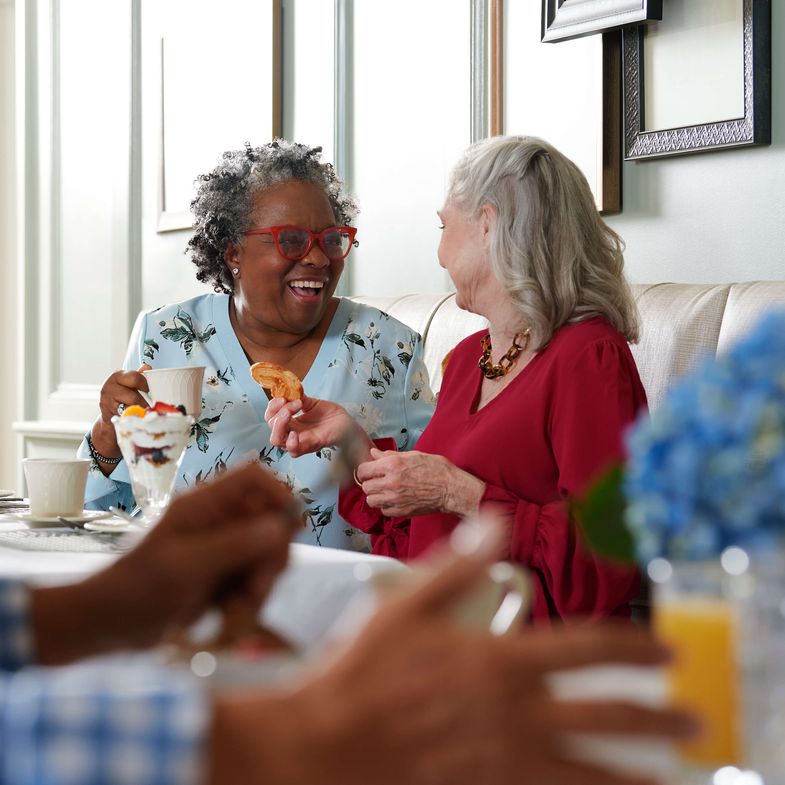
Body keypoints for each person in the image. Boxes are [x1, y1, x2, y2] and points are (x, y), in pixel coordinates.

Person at [0, 464, 696, 785]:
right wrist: (290, 738)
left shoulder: (584, 356)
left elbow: (608, 551)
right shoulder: (467, 361)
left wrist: (91, 608)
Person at [266, 136, 648, 622]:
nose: (440, 254)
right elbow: (423, 543)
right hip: (441, 640)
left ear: (488, 226)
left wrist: (460, 493)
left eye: (444, 226)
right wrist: (349, 442)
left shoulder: (588, 357)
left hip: (529, 662)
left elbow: (608, 562)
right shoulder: (472, 357)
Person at [80, 140, 435, 549]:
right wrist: (107, 435)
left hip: (340, 603)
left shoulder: (390, 348)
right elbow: (104, 514)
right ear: (233, 253)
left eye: (331, 239)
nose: (319, 259)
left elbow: (431, 514)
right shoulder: (165, 335)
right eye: (292, 240)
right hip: (191, 599)